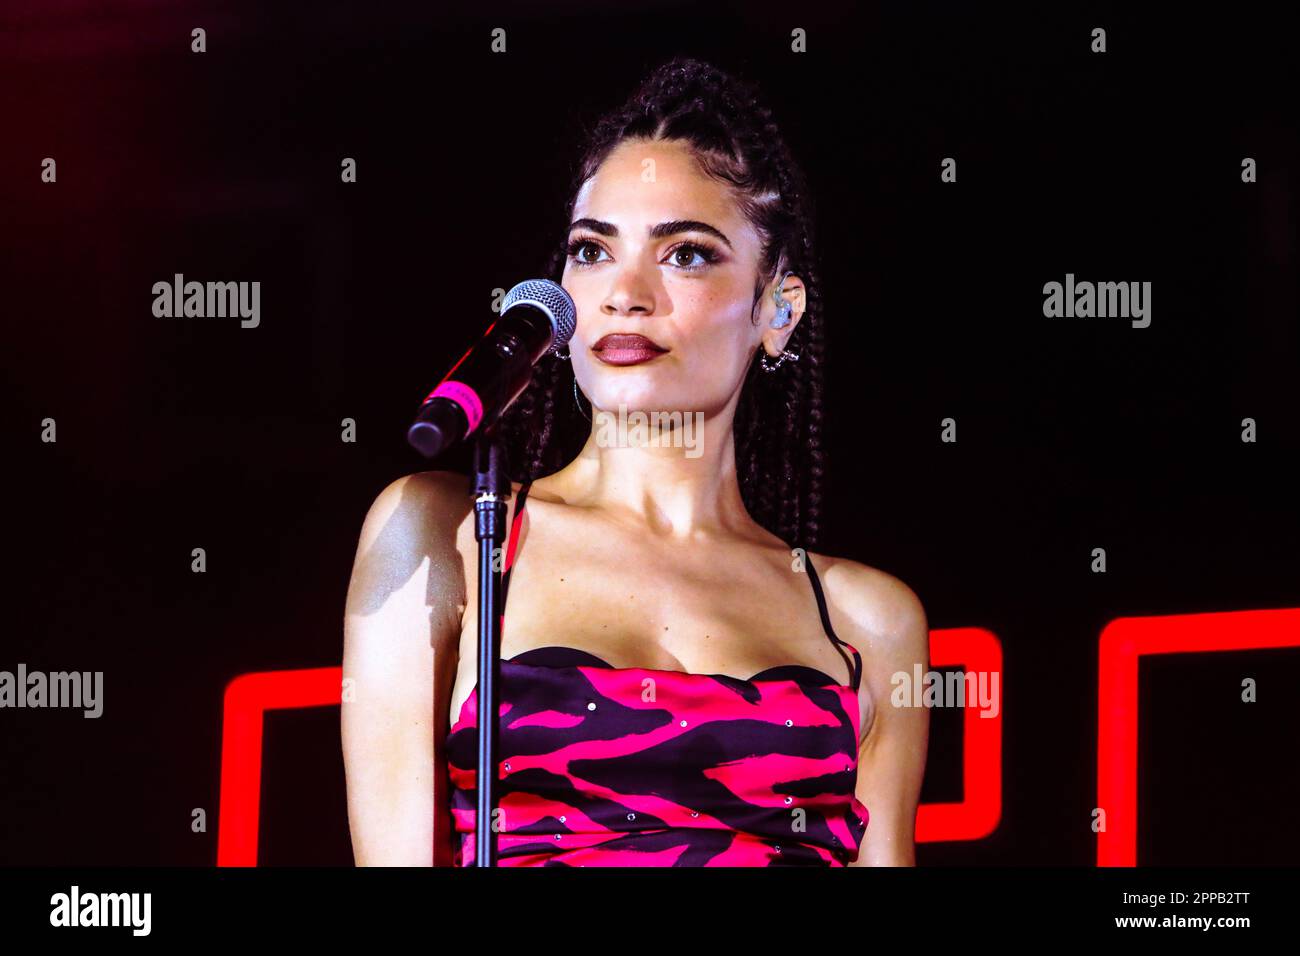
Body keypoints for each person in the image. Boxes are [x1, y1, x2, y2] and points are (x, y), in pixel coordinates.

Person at [342, 57, 929, 866]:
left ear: (778, 310)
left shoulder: (868, 617)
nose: (625, 293)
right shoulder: (447, 534)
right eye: (591, 251)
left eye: (685, 254)